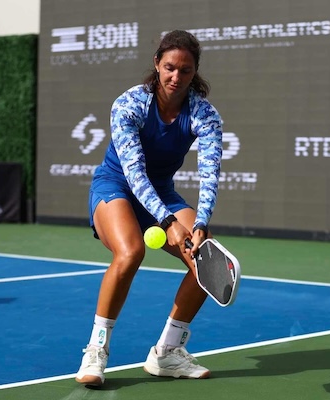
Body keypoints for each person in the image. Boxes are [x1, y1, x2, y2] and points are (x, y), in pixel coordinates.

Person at [75, 29, 223, 387]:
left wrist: (200, 222)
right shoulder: (130, 104)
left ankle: (167, 352)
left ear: (195, 71)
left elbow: (209, 173)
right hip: (116, 186)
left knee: (207, 260)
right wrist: (168, 220)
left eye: (185, 70)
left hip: (162, 193)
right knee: (130, 252)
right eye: (170, 67)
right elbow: (134, 172)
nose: (176, 77)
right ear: (157, 63)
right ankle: (96, 350)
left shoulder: (204, 114)